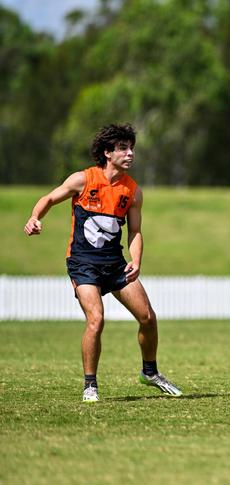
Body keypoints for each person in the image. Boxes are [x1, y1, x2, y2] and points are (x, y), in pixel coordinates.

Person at [24, 124, 182, 402]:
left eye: (132, 147)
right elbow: (49, 198)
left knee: (148, 318)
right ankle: (90, 386)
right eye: (123, 148)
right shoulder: (83, 180)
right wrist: (35, 217)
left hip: (115, 264)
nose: (130, 153)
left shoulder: (133, 192)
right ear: (108, 152)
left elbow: (134, 232)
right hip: (83, 263)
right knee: (96, 319)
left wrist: (136, 260)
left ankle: (150, 372)